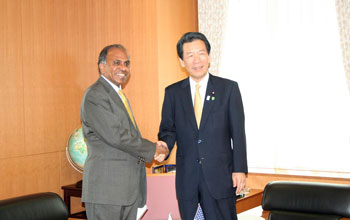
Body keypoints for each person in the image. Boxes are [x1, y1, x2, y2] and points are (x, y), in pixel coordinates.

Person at [158, 32, 248, 220]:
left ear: (209, 56)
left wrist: (239, 169)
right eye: (190, 55)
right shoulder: (173, 93)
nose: (196, 60)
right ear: (182, 61)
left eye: (201, 53)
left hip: (220, 177)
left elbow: (238, 133)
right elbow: (168, 130)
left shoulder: (228, 89)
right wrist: (164, 146)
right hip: (187, 179)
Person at [81, 44, 169, 220]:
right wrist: (153, 149)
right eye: (117, 62)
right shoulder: (95, 95)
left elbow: (127, 136)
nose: (123, 68)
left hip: (126, 190)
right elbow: (117, 136)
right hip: (107, 191)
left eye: (126, 63)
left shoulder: (118, 96)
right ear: (102, 66)